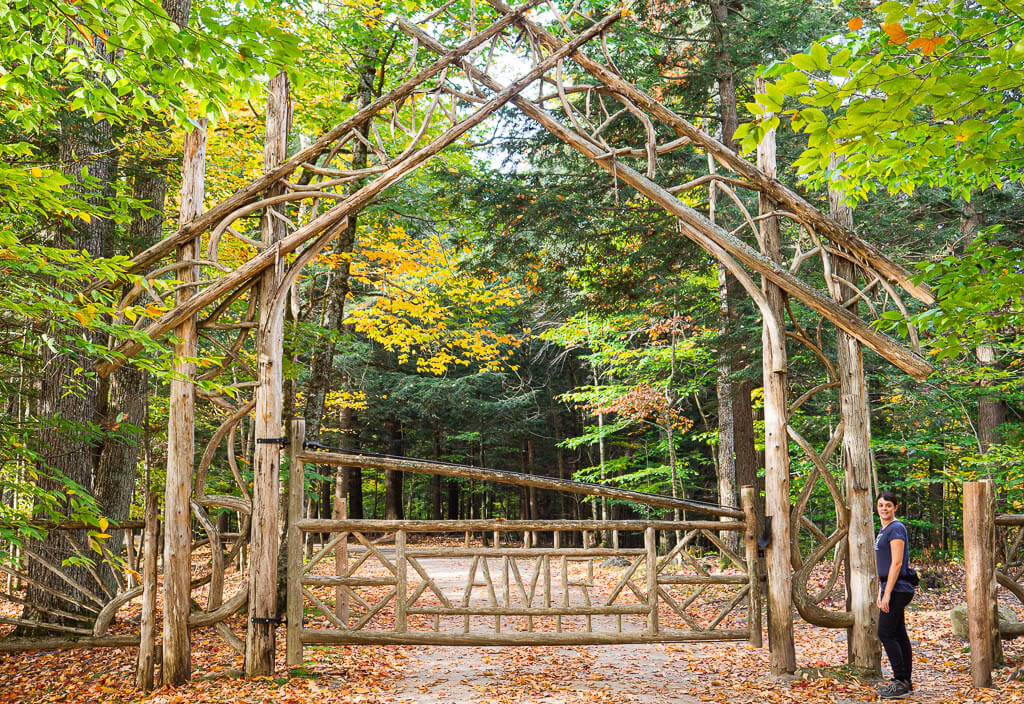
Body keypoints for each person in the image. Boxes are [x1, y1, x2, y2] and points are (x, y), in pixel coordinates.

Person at [875, 491, 915, 699]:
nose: (884, 508)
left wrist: (887, 593)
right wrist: (880, 590)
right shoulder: (883, 530)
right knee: (898, 634)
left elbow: (897, 563)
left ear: (895, 508)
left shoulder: (896, 528)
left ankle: (900, 680)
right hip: (890, 586)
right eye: (881, 505)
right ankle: (905, 682)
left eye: (888, 505)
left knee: (885, 632)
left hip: (898, 588)